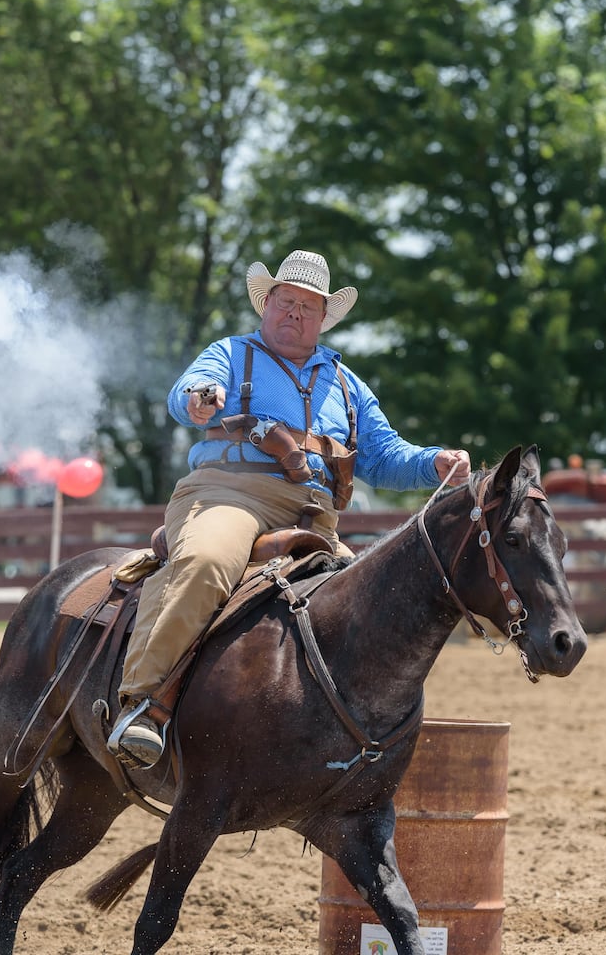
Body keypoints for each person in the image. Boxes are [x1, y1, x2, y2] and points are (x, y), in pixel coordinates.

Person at [108, 248, 471, 768]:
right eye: (285, 301)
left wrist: (433, 462)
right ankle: (142, 705)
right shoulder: (232, 355)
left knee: (377, 603)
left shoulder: (348, 385)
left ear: (324, 318)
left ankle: (358, 742)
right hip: (230, 494)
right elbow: (188, 392)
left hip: (317, 516)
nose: (294, 313)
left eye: (307, 306)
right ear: (266, 304)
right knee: (208, 561)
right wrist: (199, 398)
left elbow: (385, 455)